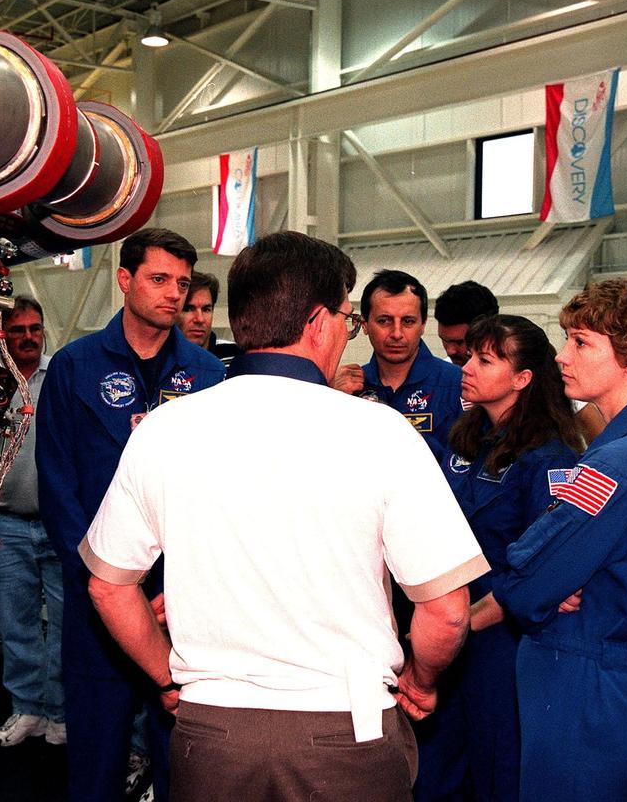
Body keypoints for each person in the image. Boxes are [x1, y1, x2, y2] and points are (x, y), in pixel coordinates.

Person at [80, 231, 488, 802]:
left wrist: (165, 676)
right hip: (348, 731)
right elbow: (446, 610)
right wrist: (420, 682)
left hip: (211, 734)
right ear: (319, 323)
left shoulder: (163, 431)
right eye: (350, 322)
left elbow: (107, 587)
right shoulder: (380, 433)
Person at [36, 227, 226, 802]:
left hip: (181, 599)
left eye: (184, 284)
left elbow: (218, 487)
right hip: (100, 593)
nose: (173, 294)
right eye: (159, 279)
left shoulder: (208, 376)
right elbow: (57, 483)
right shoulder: (74, 367)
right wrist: (103, 581)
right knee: (96, 748)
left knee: (185, 748)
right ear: (125, 280)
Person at [494, 278, 627, 801]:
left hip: (585, 689)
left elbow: (526, 580)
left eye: (581, 343)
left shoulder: (618, 463)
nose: (562, 356)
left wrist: (535, 576)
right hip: (604, 684)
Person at [414, 315, 582, 802]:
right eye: (469, 355)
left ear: (522, 378)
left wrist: (467, 621)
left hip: (501, 641)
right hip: (447, 631)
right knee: (437, 768)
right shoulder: (464, 440)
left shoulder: (549, 458)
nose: (467, 366)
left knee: (497, 770)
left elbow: (544, 570)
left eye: (485, 360)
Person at [0, 297, 66, 747]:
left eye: (35, 328)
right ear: (2, 335)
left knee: (64, 626)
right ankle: (27, 710)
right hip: (7, 526)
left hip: (57, 524)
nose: (29, 337)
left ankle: (61, 712)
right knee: (16, 624)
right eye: (18, 331)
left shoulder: (61, 378)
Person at [332, 269, 464, 459]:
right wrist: (331, 399)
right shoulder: (346, 391)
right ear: (365, 324)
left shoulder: (458, 384)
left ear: (423, 324)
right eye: (384, 321)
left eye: (408, 321)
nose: (396, 333)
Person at [176, 271, 241, 363]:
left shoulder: (236, 355)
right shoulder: (158, 359)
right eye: (188, 309)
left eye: (206, 309)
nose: (200, 319)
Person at [433, 281, 499, 366]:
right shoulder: (442, 376)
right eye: (444, 340)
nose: (450, 351)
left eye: (459, 342)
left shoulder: (515, 374)